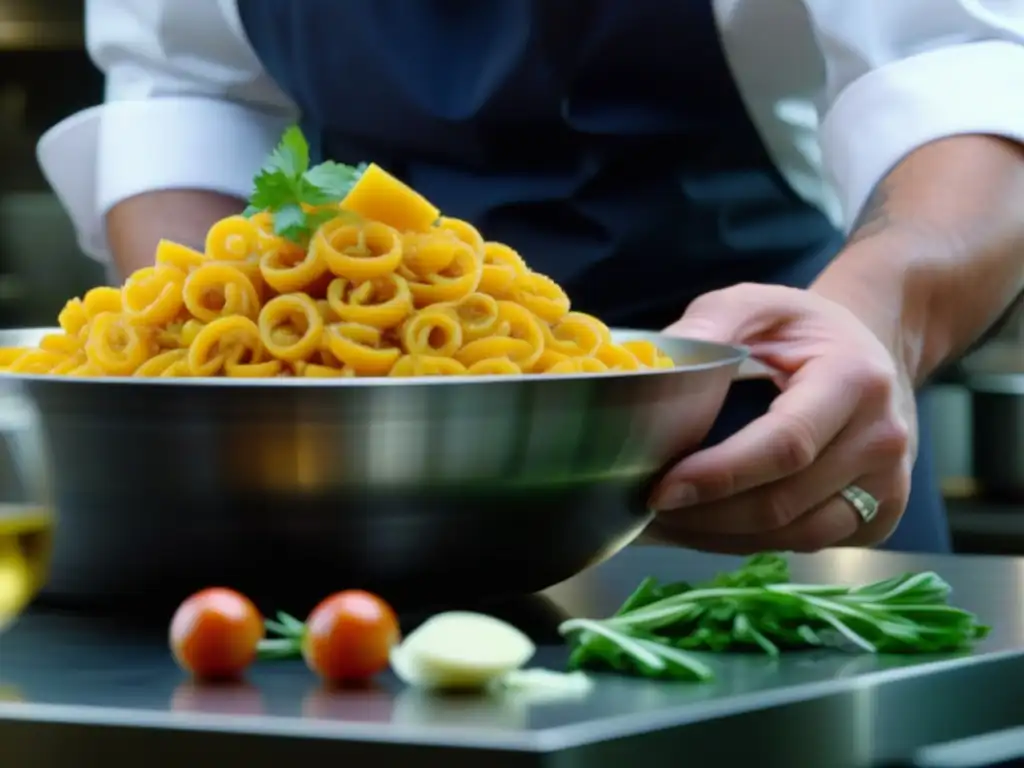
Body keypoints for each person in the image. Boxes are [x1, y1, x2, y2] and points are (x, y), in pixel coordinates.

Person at [38, 1, 1024, 555]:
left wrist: (873, 320)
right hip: (345, 490)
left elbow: (966, 64)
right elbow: (183, 92)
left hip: (752, 427)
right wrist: (215, 381)